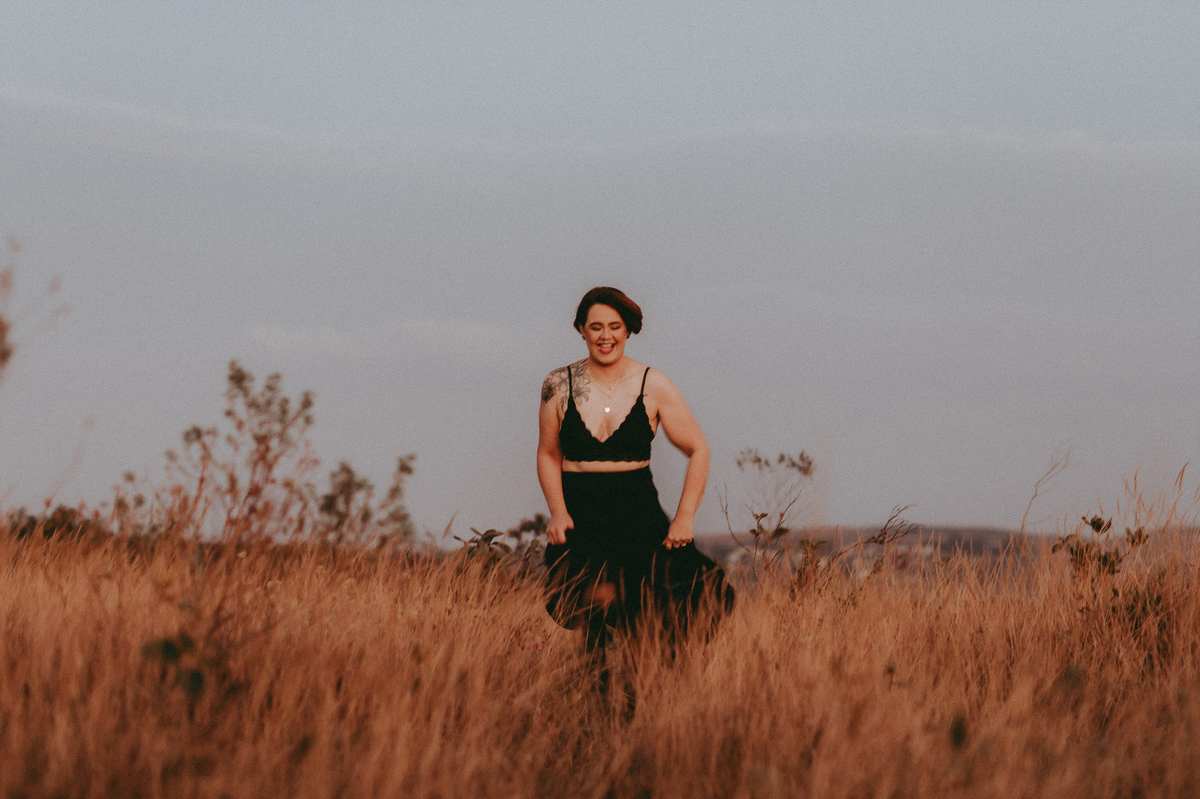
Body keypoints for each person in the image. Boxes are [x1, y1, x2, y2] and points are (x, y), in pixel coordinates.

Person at [537, 286, 733, 654]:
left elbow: (698, 448)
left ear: (628, 330)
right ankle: (595, 683)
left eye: (615, 326)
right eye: (596, 327)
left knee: (666, 603)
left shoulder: (653, 383)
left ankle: (649, 677)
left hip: (637, 511)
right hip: (582, 512)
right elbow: (548, 453)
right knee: (593, 609)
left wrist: (685, 518)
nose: (605, 336)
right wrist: (558, 511)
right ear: (581, 329)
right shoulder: (557, 384)